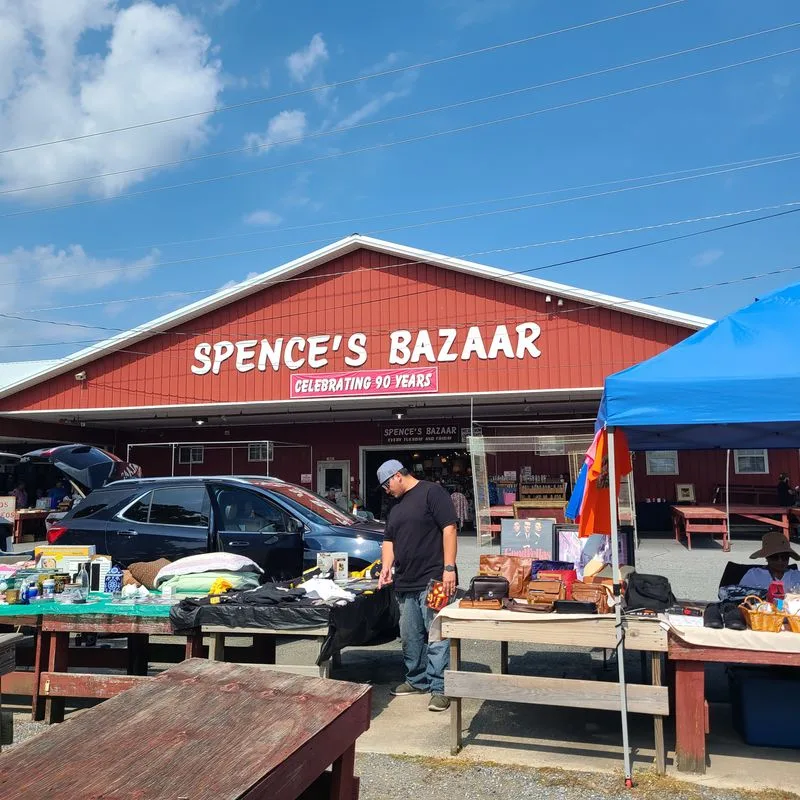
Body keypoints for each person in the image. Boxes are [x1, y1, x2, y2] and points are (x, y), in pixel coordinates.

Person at [377, 459, 458, 712]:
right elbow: (389, 540)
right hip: (405, 581)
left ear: (397, 476)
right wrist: (386, 567)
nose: (386, 490)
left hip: (434, 578)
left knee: (437, 635)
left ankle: (440, 688)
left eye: (386, 485)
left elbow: (450, 529)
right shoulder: (395, 506)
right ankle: (416, 680)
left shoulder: (431, 492)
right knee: (410, 636)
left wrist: (449, 568)